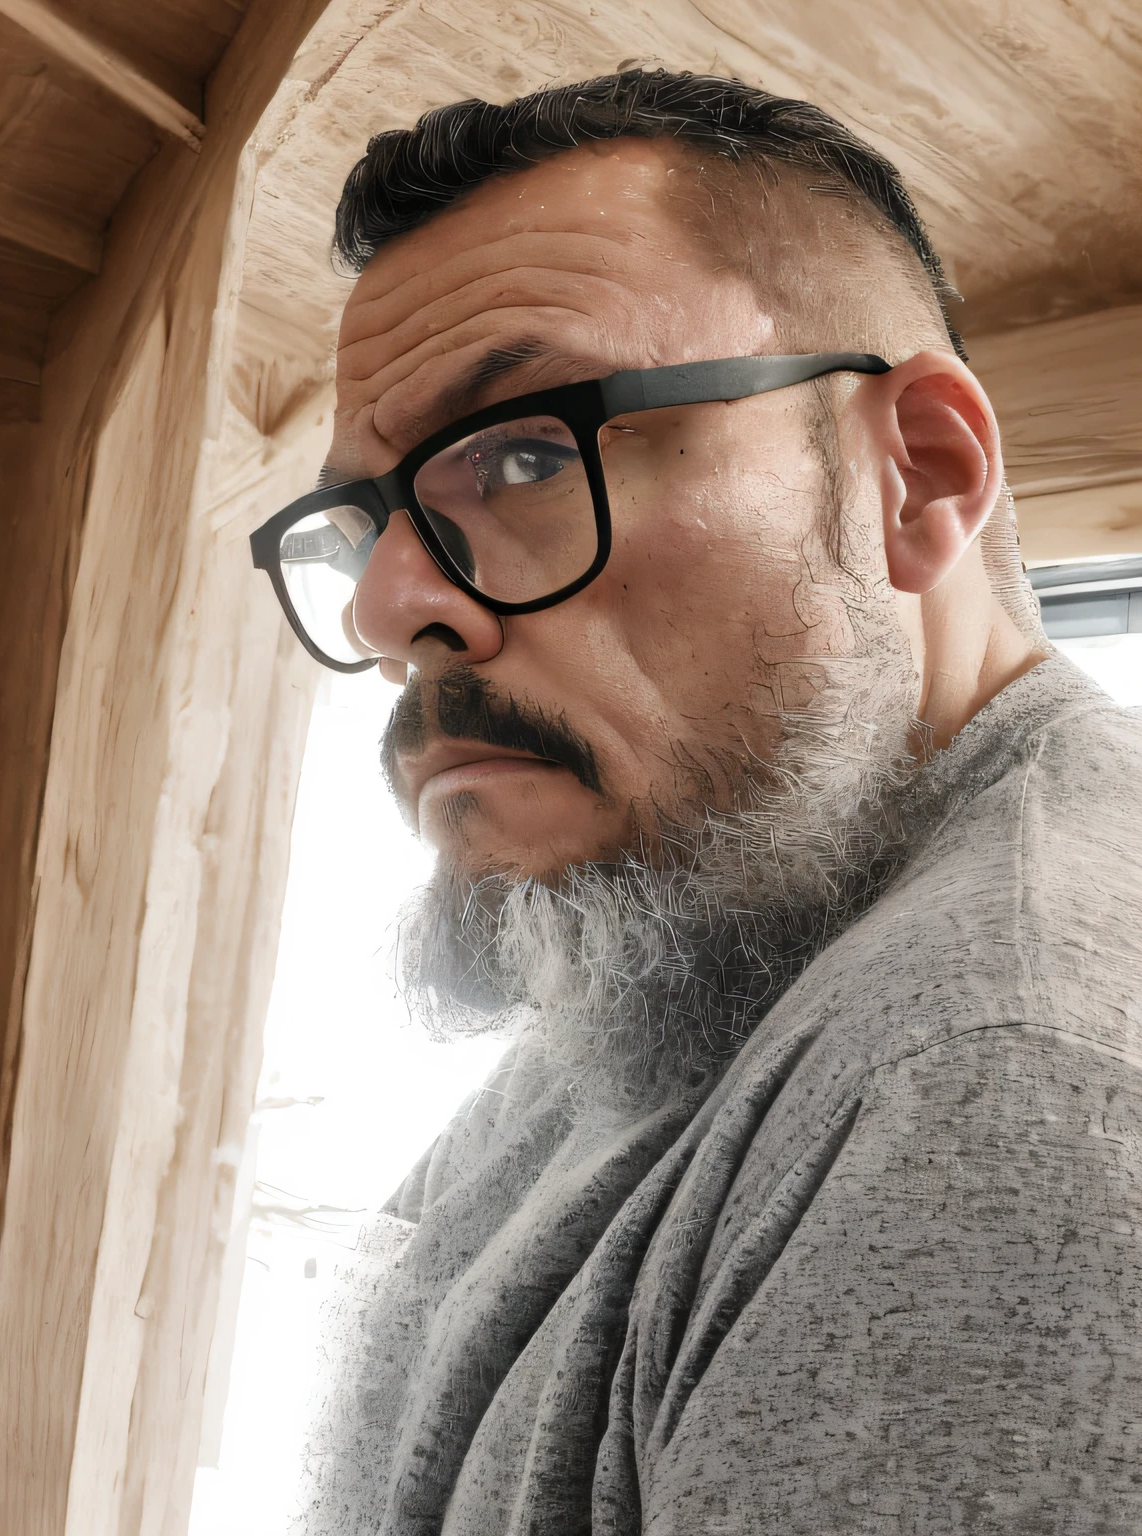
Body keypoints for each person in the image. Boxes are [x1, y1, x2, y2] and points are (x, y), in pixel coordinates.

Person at [253, 70, 1142, 1535]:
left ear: (912, 479)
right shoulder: (703, 922)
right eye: (366, 523)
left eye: (527, 455)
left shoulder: (997, 1079)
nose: (389, 608)